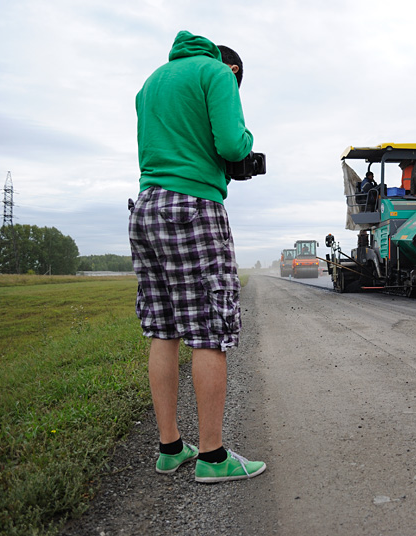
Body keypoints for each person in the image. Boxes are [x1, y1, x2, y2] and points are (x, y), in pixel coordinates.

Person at [129, 31, 267, 483]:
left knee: (163, 329)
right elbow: (230, 144)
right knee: (209, 330)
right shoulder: (217, 73)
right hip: (193, 208)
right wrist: (244, 145)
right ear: (234, 69)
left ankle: (170, 447)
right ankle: (212, 458)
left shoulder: (151, 82)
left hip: (147, 207)